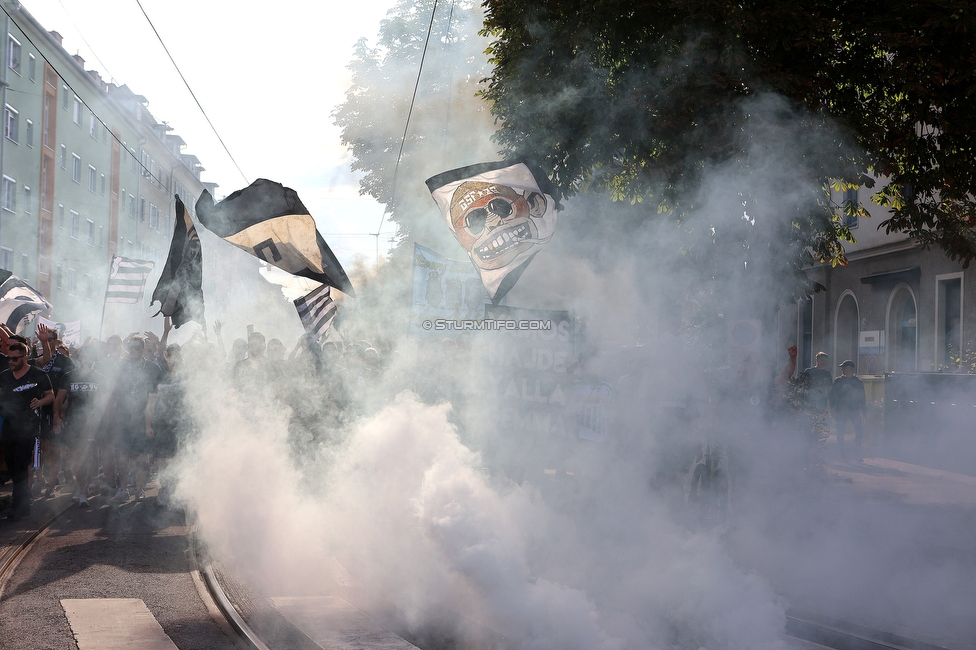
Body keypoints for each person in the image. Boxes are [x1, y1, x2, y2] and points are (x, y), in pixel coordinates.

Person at [0, 341, 55, 519]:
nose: (11, 362)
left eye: (15, 359)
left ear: (25, 358)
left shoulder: (38, 374)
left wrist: (40, 402)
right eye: (9, 358)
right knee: (11, 465)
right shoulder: (4, 376)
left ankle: (19, 506)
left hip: (28, 426)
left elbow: (50, 395)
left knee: (21, 464)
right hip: (9, 425)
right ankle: (23, 499)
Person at [104, 335, 162, 502]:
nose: (134, 351)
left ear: (143, 349)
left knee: (141, 455)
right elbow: (112, 392)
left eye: (137, 348)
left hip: (143, 417)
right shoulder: (121, 367)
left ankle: (138, 488)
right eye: (131, 348)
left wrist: (150, 421)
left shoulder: (152, 368)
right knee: (122, 454)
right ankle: (122, 489)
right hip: (122, 417)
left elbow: (157, 395)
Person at [54, 345, 104, 508]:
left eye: (90, 356)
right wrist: (57, 416)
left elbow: (104, 401)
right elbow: (58, 399)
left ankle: (83, 491)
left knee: (87, 456)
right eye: (84, 356)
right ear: (80, 358)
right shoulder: (69, 376)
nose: (87, 359)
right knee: (74, 459)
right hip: (72, 421)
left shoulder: (98, 377)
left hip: (90, 423)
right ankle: (81, 485)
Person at [830, 359, 866, 461]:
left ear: (849, 369)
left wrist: (864, 413)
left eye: (844, 367)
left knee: (859, 432)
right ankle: (843, 455)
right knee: (840, 432)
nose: (842, 369)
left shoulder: (858, 382)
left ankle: (857, 454)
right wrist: (832, 408)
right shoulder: (838, 381)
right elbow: (832, 396)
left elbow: (862, 398)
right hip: (841, 411)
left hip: (854, 410)